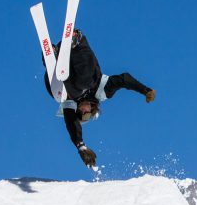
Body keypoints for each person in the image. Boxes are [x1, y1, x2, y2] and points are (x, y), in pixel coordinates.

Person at [41, 29, 155, 168]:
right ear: (93, 109)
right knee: (85, 83)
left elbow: (71, 124)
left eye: (80, 113)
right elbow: (123, 79)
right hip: (80, 54)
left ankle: (52, 58)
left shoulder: (70, 102)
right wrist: (145, 90)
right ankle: (76, 42)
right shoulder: (102, 92)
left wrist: (81, 147)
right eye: (86, 113)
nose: (82, 111)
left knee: (59, 96)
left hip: (64, 68)